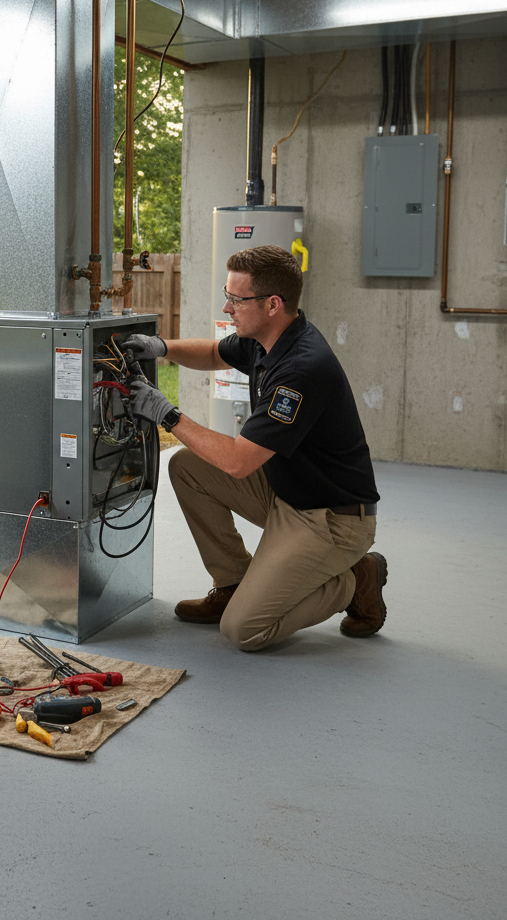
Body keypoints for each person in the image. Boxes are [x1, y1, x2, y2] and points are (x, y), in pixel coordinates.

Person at [122, 244, 386, 652]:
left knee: (244, 630)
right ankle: (232, 583)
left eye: (236, 299)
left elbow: (239, 462)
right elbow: (213, 352)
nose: (227, 307)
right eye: (227, 296)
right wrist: (162, 347)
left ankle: (354, 581)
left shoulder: (300, 369)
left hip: (331, 519)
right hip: (288, 492)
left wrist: (166, 414)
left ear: (273, 304)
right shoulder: (265, 338)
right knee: (187, 466)